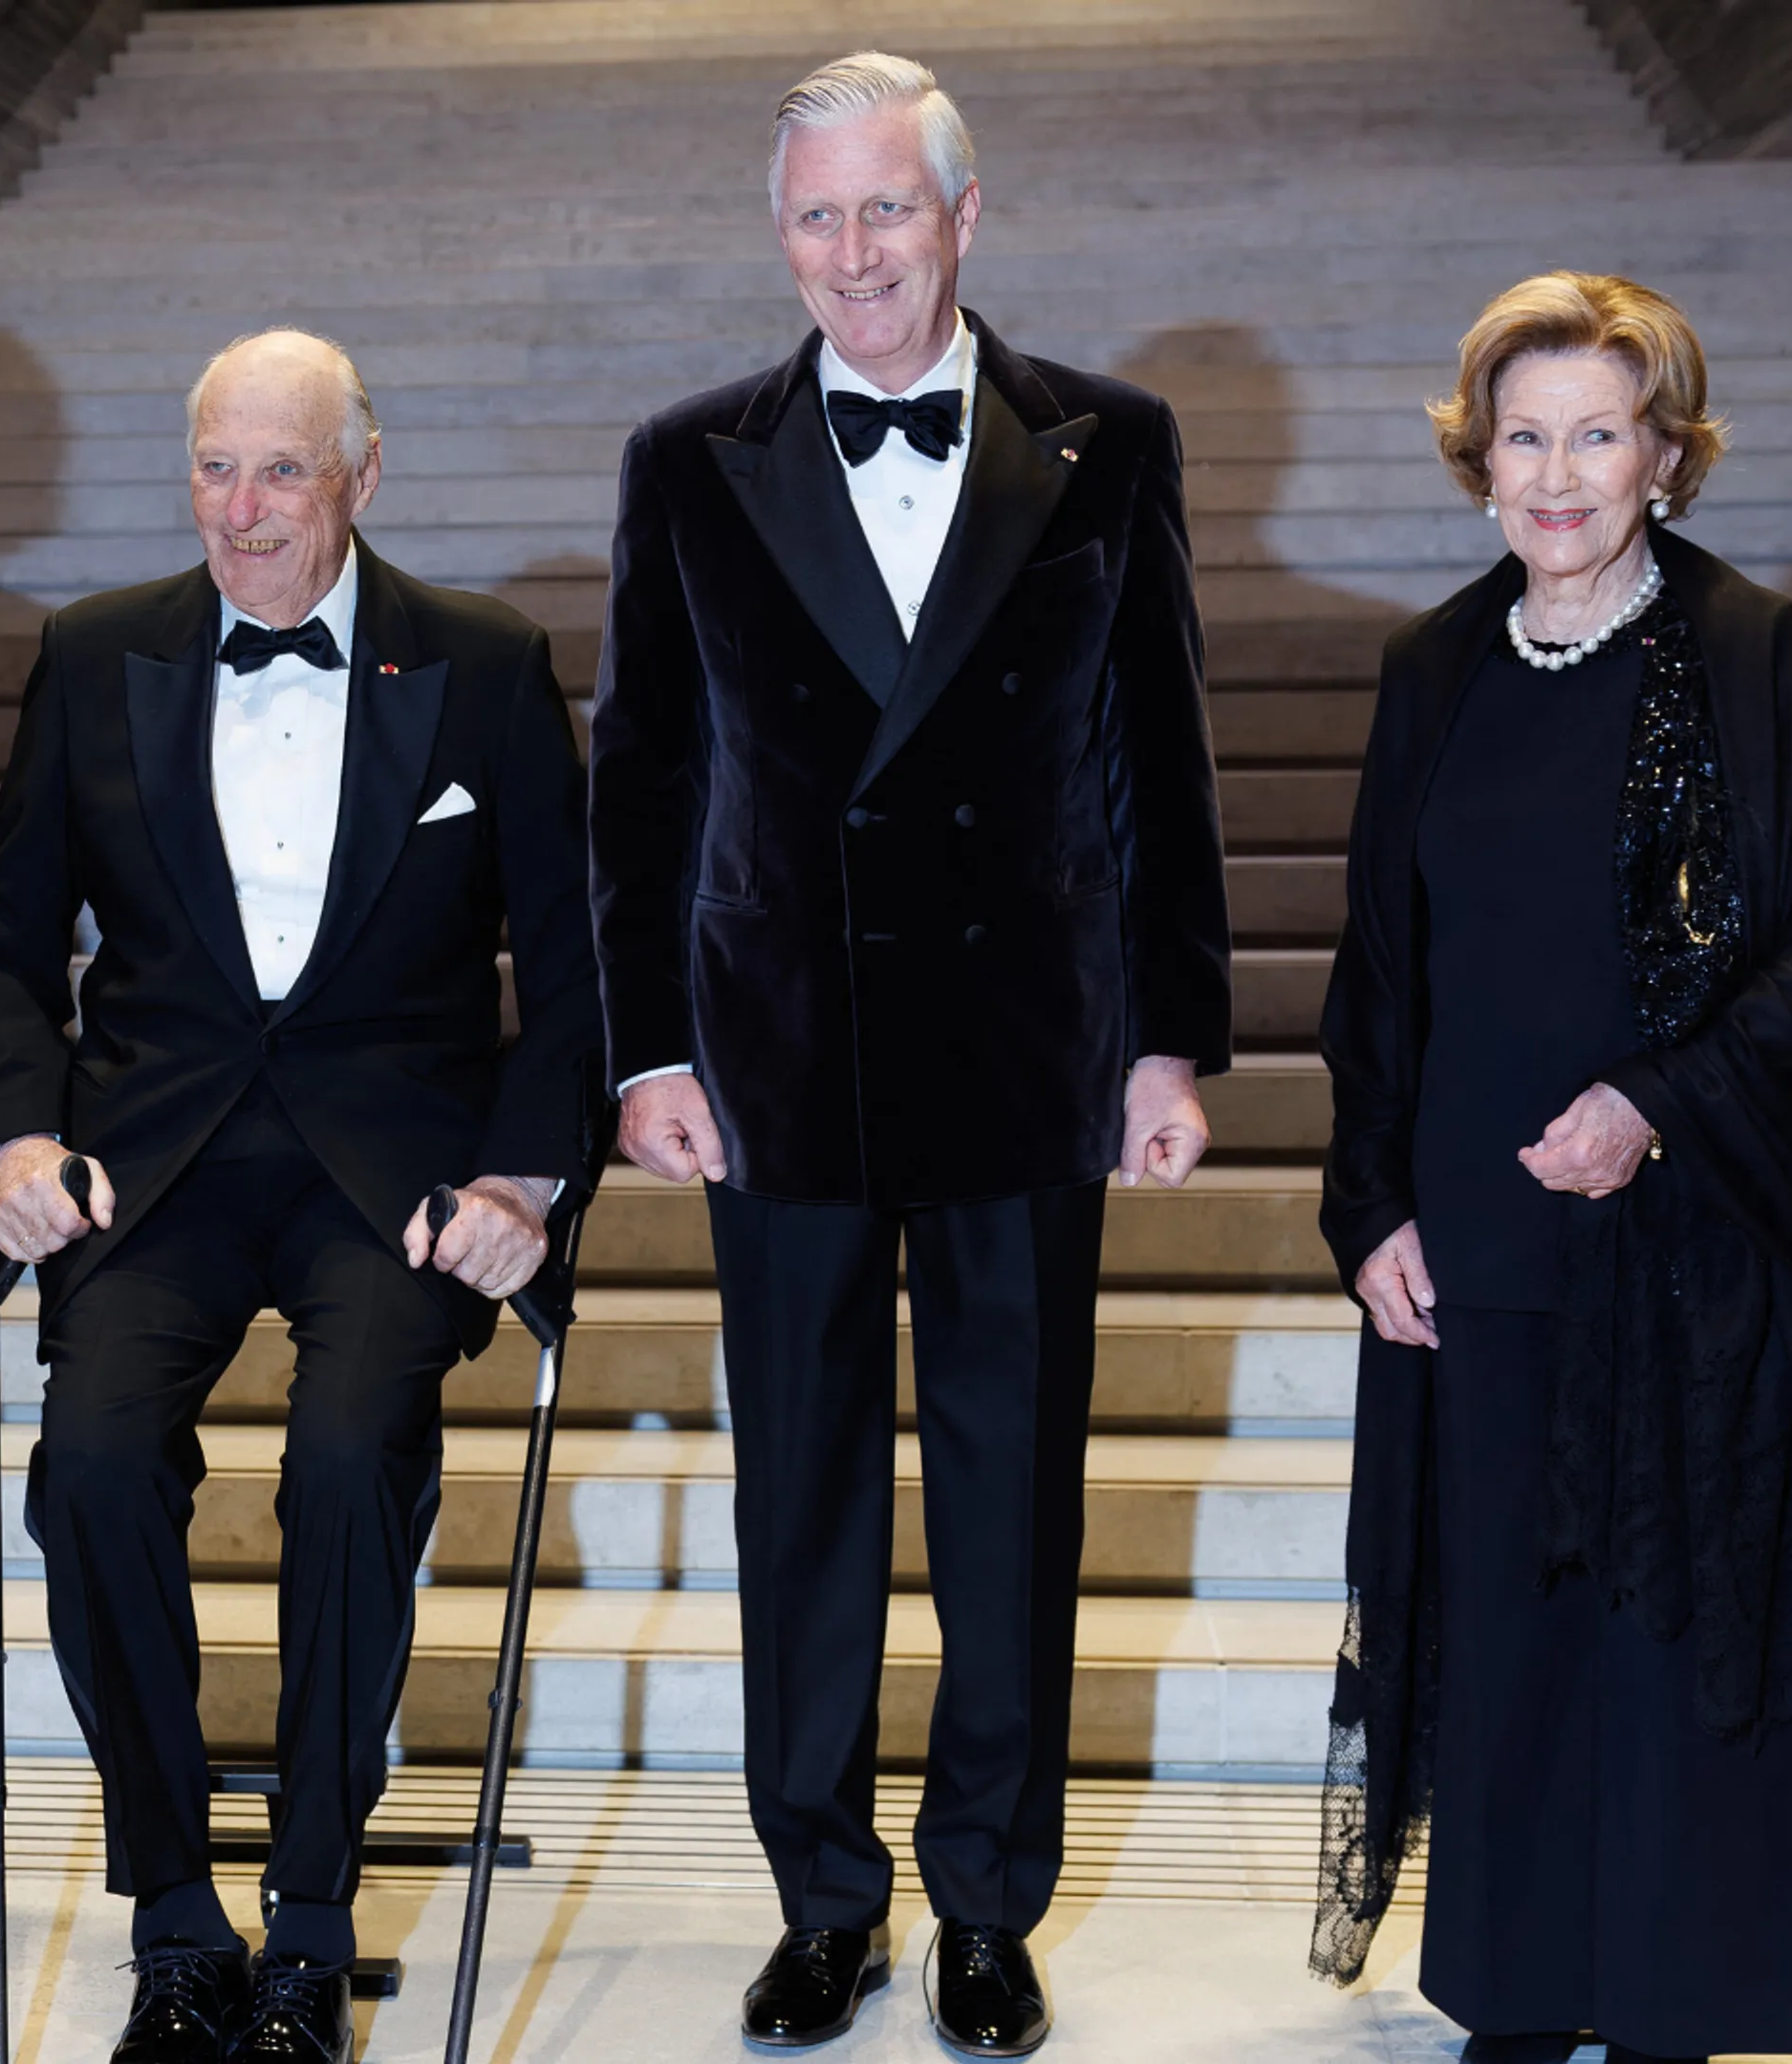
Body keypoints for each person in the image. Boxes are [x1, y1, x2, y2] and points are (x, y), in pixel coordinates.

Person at [586, 52, 1230, 2058]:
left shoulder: (1109, 445)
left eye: (888, 208)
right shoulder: (688, 458)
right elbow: (645, 779)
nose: (853, 251)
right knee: (804, 1506)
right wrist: (643, 1051)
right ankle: (822, 1899)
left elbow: (1162, 757)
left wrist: (1174, 1037)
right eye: (817, 216)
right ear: (779, 235)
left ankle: (985, 1907)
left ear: (967, 214)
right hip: (781, 1055)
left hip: (1029, 1049)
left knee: (1012, 1502)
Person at [0, 328, 604, 2064]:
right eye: (214, 467)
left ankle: (308, 1925)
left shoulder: (485, 662)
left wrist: (525, 1181)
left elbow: (580, 965)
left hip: (393, 1176)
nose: (242, 511)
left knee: (346, 1460)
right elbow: (2, 944)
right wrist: (13, 1141)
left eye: (283, 470)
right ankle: (175, 1926)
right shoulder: (97, 658)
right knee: (86, 1471)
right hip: (148, 1164)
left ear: (362, 477)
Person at [1310, 272, 1792, 2064]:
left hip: (1690, 1237)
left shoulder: (1744, 649)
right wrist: (1367, 1208)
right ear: (1478, 459)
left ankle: (1663, 2003)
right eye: (1524, 436)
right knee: (1507, 1630)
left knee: (1669, 1630)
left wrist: (1655, 1097)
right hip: (1479, 1247)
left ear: (1664, 454)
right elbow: (1375, 969)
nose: (1557, 473)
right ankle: (1519, 1989)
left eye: (1597, 432)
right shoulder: (1431, 667)